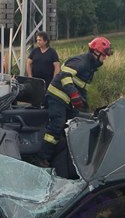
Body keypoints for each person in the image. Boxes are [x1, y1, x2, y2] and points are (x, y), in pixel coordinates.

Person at [33, 36, 113, 167]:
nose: (105, 58)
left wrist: (84, 105)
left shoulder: (91, 66)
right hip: (56, 96)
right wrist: (73, 94)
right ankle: (42, 158)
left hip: (67, 100)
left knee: (79, 121)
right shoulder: (82, 62)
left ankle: (66, 153)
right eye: (104, 55)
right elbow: (64, 75)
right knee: (57, 125)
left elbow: (82, 88)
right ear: (96, 53)